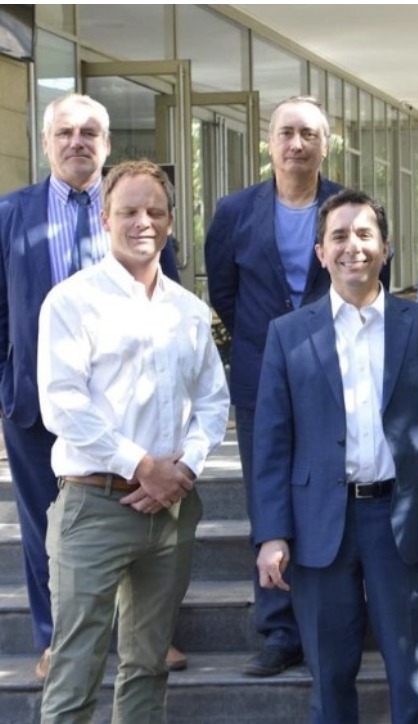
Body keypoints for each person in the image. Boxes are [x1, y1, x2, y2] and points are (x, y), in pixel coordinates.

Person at [252, 189, 418, 723]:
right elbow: (271, 444)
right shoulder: (288, 334)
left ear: (386, 248)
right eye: (339, 236)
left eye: (365, 234)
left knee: (413, 676)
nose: (354, 247)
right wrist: (272, 534)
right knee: (329, 678)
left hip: (401, 521)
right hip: (319, 525)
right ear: (321, 252)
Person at [36, 160, 229, 722]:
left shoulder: (190, 311)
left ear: (170, 222)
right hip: (95, 506)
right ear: (105, 219)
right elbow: (62, 405)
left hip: (170, 511)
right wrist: (144, 466)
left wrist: (184, 470)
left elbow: (213, 402)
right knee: (75, 671)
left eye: (155, 211)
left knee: (147, 667)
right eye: (128, 211)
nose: (143, 221)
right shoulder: (71, 302)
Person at [0, 93, 183, 679]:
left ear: (106, 145)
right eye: (65, 132)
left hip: (133, 406)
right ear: (46, 143)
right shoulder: (10, 215)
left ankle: (145, 638)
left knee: (141, 518)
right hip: (37, 406)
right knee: (44, 527)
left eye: (89, 133)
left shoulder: (138, 211)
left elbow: (172, 303)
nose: (76, 142)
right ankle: (56, 640)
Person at [205, 95, 388, 677]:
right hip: (260, 374)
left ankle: (335, 624)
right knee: (269, 500)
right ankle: (280, 630)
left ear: (326, 144)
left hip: (339, 375)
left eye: (309, 133)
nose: (296, 143)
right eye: (286, 132)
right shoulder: (235, 212)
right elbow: (225, 292)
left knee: (330, 495)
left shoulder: (348, 208)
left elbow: (366, 276)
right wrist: (277, 342)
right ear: (269, 142)